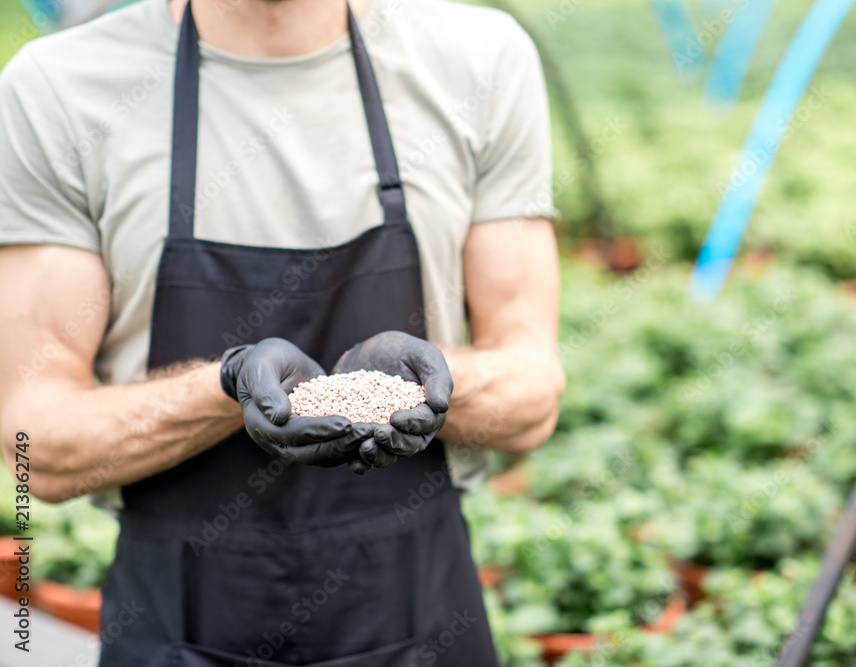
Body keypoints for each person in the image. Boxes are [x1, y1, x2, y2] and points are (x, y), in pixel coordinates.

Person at [0, 0, 565, 663]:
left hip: (420, 617)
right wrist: (224, 388)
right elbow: (33, 442)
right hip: (177, 626)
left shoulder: (479, 60)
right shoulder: (60, 88)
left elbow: (532, 392)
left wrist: (431, 378)